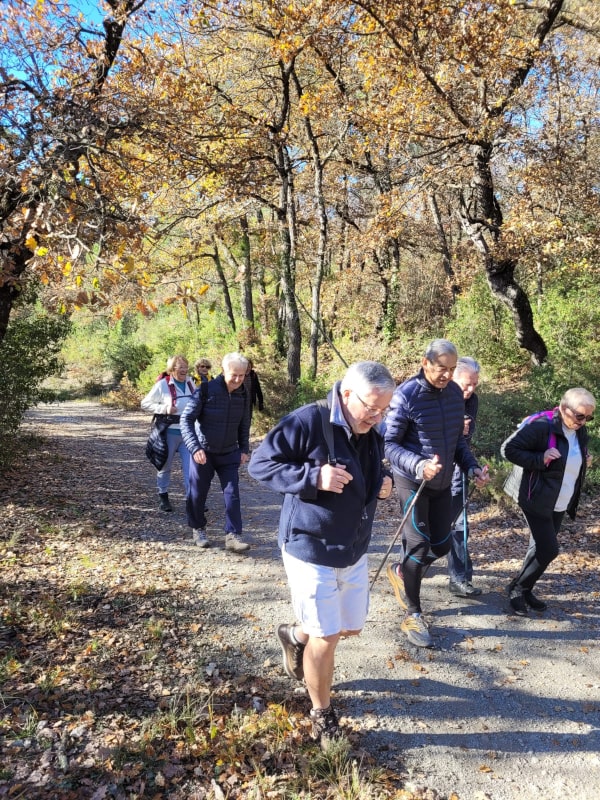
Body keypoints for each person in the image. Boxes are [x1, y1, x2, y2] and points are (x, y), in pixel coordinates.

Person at [248, 361, 395, 748]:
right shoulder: (307, 421)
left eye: (385, 410)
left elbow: (368, 472)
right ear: (347, 394)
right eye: (372, 408)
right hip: (310, 546)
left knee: (348, 628)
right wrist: (313, 478)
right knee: (327, 636)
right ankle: (321, 714)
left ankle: (295, 635)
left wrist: (382, 483)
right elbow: (260, 464)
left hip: (353, 546)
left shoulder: (370, 428)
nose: (378, 417)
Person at [384, 339, 489, 648]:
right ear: (425, 362)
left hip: (442, 482)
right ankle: (413, 614)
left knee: (442, 545)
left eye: (452, 369)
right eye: (442, 368)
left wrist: (472, 468)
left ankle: (403, 571)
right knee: (418, 545)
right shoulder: (405, 396)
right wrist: (418, 465)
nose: (446, 375)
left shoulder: (456, 394)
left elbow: (458, 443)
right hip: (413, 482)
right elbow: (389, 444)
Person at [501, 387, 595, 616]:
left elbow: (571, 456)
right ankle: (517, 588)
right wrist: (539, 458)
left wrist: (584, 460)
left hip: (560, 499)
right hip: (536, 497)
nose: (583, 422)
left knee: (539, 548)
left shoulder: (580, 431)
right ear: (563, 408)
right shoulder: (542, 427)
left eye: (589, 417)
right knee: (549, 549)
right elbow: (508, 450)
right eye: (579, 416)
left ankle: (525, 590)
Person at [180, 352, 251, 552]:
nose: (238, 379)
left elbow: (244, 423)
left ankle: (233, 535)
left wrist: (244, 449)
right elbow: (185, 420)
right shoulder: (206, 390)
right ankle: (198, 528)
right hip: (204, 452)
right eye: (234, 374)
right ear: (224, 370)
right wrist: (195, 448)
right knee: (198, 492)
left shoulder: (243, 393)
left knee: (232, 494)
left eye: (242, 375)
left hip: (229, 452)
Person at [141, 355, 197, 512]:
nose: (184, 371)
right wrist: (164, 409)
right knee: (164, 466)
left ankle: (192, 500)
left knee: (191, 468)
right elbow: (144, 403)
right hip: (169, 433)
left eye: (186, 368)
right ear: (172, 370)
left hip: (188, 433)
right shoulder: (163, 385)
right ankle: (163, 496)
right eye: (180, 368)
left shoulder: (190, 383)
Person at [447, 356, 483, 597]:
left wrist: (473, 467)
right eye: (466, 384)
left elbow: (465, 443)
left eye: (474, 385)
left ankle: (460, 578)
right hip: (430, 470)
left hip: (457, 470)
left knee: (459, 523)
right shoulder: (437, 397)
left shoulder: (472, 401)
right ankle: (405, 568)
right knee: (423, 527)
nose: (470, 390)